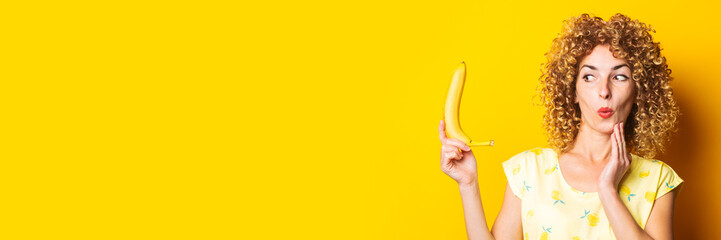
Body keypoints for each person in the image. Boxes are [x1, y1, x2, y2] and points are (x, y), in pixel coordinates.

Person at [438, 13, 684, 240]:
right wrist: (468, 184)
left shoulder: (658, 179)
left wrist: (608, 191)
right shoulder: (529, 170)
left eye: (619, 76)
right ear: (573, 91)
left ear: (638, 91)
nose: (604, 91)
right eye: (589, 76)